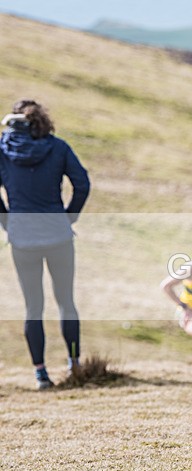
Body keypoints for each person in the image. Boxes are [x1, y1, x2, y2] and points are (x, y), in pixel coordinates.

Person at [0, 100, 91, 390]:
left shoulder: (3, 149)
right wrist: (69, 218)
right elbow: (83, 184)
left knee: (33, 307)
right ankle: (74, 364)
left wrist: (8, 222)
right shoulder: (58, 147)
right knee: (66, 301)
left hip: (22, 238)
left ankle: (41, 374)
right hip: (58, 235)